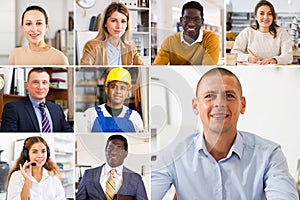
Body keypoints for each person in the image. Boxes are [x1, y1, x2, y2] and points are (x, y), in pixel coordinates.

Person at [151, 67, 299, 199]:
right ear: (195, 106)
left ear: (243, 105)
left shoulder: (270, 154)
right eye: (209, 96)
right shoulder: (173, 154)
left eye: (229, 95)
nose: (220, 103)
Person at [76, 134, 148, 200]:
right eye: (110, 148)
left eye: (119, 148)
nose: (114, 152)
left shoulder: (136, 179)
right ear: (105, 151)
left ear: (126, 153)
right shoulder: (89, 174)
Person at [1, 67, 73, 132]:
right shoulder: (13, 108)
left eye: (44, 82)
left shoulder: (57, 109)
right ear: (27, 85)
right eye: (35, 82)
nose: (40, 87)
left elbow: (68, 132)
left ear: (48, 85)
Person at [153, 1, 220, 65]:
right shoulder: (170, 41)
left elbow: (207, 71)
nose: (191, 23)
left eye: (196, 19)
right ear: (181, 21)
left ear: (202, 22)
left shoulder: (210, 38)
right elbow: (157, 68)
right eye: (187, 19)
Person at [231, 0, 293, 65]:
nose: (265, 17)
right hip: (251, 72)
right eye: (261, 13)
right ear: (255, 16)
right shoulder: (247, 32)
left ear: (273, 17)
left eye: (269, 14)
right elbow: (234, 53)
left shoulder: (282, 33)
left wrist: (274, 60)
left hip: (274, 72)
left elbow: (288, 57)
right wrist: (247, 57)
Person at [84, 67, 143, 132]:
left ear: (127, 92)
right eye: (114, 87)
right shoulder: (90, 114)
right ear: (107, 90)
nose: (118, 91)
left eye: (122, 88)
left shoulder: (135, 117)